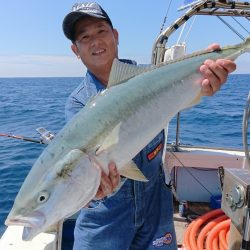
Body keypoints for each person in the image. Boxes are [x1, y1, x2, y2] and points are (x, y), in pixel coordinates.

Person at [62, 2, 236, 249]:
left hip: (156, 207)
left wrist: (206, 82)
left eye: (101, 31)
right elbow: (84, 163)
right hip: (106, 217)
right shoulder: (78, 103)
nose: (95, 41)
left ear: (116, 35)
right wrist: (93, 187)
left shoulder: (154, 77)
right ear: (75, 50)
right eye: (85, 36)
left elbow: (186, 94)